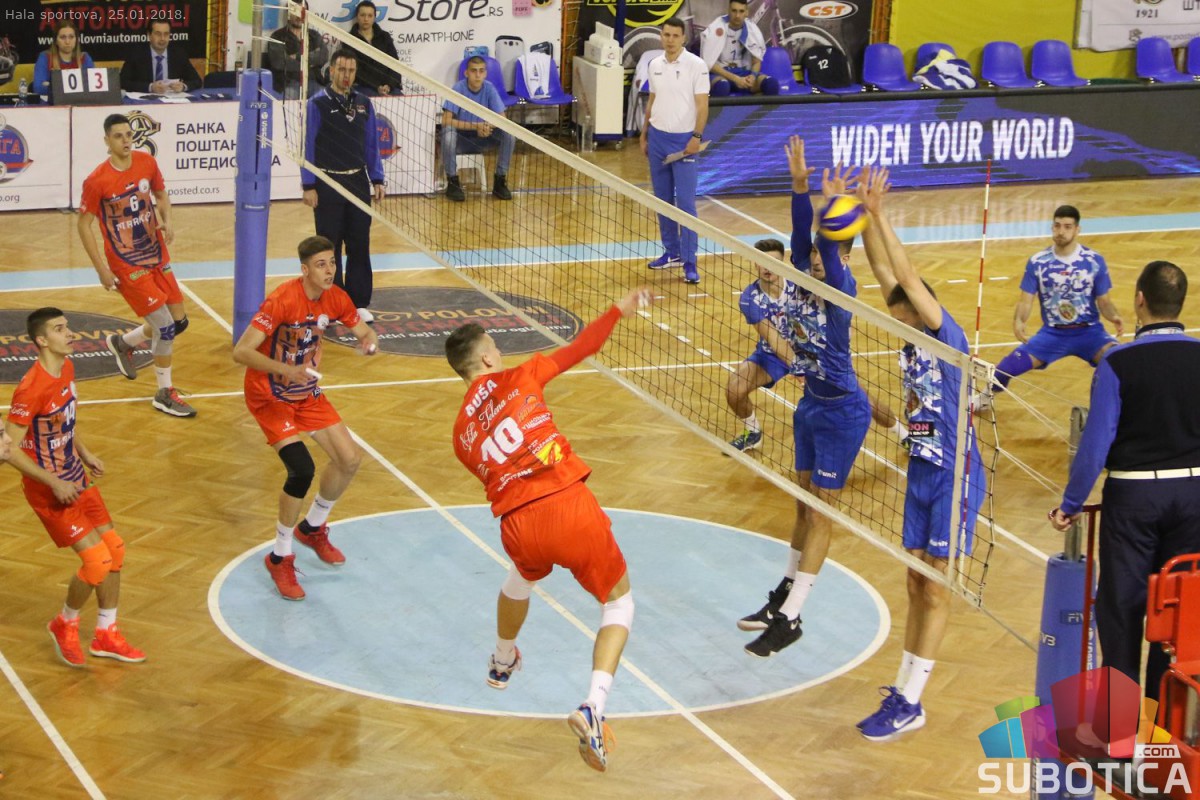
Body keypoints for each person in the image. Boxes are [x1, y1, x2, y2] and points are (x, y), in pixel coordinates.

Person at [445, 288, 651, 772]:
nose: (500, 351)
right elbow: (584, 346)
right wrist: (618, 309)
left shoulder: (459, 435)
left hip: (518, 524)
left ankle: (502, 659)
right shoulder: (522, 375)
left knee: (521, 576)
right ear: (487, 357)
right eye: (495, 345)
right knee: (619, 603)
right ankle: (594, 705)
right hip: (566, 504)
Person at [853, 166, 986, 741]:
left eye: (902, 308)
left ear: (919, 308)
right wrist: (863, 220)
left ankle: (912, 700)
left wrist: (881, 214)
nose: (895, 313)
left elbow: (903, 274)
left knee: (935, 586)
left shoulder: (945, 334)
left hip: (956, 474)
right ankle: (904, 691)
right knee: (914, 580)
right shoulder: (909, 337)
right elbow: (885, 272)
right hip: (922, 470)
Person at [738, 139, 874, 659]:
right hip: (811, 405)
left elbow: (826, 250)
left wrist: (832, 211)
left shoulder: (841, 291)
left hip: (842, 412)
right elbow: (801, 234)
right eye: (812, 255)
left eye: (824, 253)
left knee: (820, 513)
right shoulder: (798, 277)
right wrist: (801, 186)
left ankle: (793, 616)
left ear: (842, 256)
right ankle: (784, 593)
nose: (814, 259)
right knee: (802, 505)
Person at [1051, 261, 1200, 700]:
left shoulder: (1117, 361)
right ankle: (1164, 718)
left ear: (1139, 300)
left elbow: (1095, 445)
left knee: (1121, 610)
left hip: (1133, 498)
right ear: (1181, 303)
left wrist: (1070, 504)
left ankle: (1118, 725)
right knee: (1177, 609)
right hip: (1194, 497)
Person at [232, 236, 379, 600]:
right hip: (270, 395)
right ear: (304, 269)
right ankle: (279, 557)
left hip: (306, 393)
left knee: (349, 459)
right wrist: (286, 369)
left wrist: (368, 341)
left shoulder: (336, 298)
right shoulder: (282, 300)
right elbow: (241, 352)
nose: (329, 270)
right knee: (301, 470)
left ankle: (312, 528)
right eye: (320, 264)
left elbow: (364, 330)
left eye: (332, 263)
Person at [4, 308, 147, 668]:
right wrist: (54, 482)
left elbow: (64, 421)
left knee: (115, 551)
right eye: (59, 329)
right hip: (50, 490)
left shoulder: (66, 368)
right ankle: (64, 623)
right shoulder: (30, 389)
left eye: (67, 327)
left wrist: (85, 452)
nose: (70, 334)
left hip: (76, 478)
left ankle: (106, 634)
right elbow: (8, 449)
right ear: (41, 340)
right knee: (97, 562)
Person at [726, 238, 905, 452]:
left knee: (862, 399)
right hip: (774, 355)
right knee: (735, 389)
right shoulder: (750, 298)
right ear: (755, 262)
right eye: (762, 262)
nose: (767, 267)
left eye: (773, 262)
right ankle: (752, 432)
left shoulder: (799, 282)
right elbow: (774, 339)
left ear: (782, 263)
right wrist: (799, 368)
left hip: (814, 352)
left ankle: (903, 434)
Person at [78, 113, 196, 418]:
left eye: (129, 134)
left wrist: (168, 221)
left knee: (178, 323)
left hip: (156, 254)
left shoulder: (146, 162)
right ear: (107, 141)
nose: (126, 140)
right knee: (165, 328)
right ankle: (164, 393)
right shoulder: (97, 180)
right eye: (118, 136)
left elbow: (161, 194)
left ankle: (123, 343)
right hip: (126, 263)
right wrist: (101, 269)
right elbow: (83, 225)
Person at [992, 206, 1124, 403]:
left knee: (1121, 364)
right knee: (1004, 370)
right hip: (1052, 334)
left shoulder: (1094, 261)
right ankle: (984, 398)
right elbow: (1026, 299)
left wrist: (1114, 316)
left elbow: (1104, 301)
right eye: (1057, 226)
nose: (1061, 231)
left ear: (1077, 230)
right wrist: (1019, 321)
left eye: (1067, 227)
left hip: (1090, 333)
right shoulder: (1037, 262)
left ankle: (1126, 408)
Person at [302, 49, 386, 315]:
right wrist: (308, 185)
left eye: (351, 70)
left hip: (357, 181)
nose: (346, 75)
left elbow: (371, 144)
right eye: (341, 70)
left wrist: (377, 178)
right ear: (331, 71)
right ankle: (332, 303)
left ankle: (358, 303)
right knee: (329, 248)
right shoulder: (317, 103)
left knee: (360, 243)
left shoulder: (364, 103)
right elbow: (307, 146)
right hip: (328, 182)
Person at [641, 17, 709, 285]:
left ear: (683, 38)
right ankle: (672, 252)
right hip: (657, 139)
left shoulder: (696, 65)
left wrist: (696, 137)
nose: (669, 39)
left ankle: (690, 261)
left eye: (675, 35)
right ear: (661, 36)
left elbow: (702, 106)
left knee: (686, 205)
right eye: (666, 35)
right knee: (663, 201)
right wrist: (644, 133)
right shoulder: (654, 64)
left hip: (684, 142)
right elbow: (652, 100)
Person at [441, 56, 515, 202]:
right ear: (466, 73)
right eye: (474, 71)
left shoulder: (489, 88)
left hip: (483, 137)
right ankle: (452, 182)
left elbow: (503, 119)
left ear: (485, 73)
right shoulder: (458, 88)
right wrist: (476, 126)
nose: (477, 75)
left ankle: (500, 180)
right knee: (448, 134)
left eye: (481, 71)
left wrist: (487, 126)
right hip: (461, 140)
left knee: (509, 134)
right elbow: (445, 120)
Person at [699, 0, 773, 96]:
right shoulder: (716, 28)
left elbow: (756, 61)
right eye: (734, 11)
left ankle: (752, 104)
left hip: (743, 73)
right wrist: (735, 79)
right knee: (722, 87)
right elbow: (710, 64)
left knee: (771, 85)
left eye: (741, 11)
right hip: (720, 74)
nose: (737, 15)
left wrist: (753, 77)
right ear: (728, 10)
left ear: (747, 12)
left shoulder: (752, 29)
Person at [118, 19, 201, 94]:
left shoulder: (178, 54)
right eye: (158, 34)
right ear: (149, 35)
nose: (162, 38)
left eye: (166, 34)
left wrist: (183, 86)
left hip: (172, 100)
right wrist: (150, 87)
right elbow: (122, 82)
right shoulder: (136, 54)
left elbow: (197, 81)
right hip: (145, 101)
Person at [267, 0, 328, 100]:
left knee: (325, 101)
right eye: (295, 11)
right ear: (288, 13)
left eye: (302, 11)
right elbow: (280, 63)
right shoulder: (277, 36)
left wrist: (297, 56)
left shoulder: (314, 35)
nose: (299, 15)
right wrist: (311, 62)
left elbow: (323, 56)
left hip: (313, 82)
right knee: (288, 103)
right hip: (288, 84)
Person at [347, 1, 401, 95]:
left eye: (370, 15)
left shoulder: (385, 37)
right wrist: (376, 86)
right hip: (363, 86)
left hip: (389, 87)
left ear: (374, 17)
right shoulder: (349, 39)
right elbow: (355, 70)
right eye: (362, 15)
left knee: (399, 98)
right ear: (357, 17)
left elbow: (395, 64)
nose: (366, 19)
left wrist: (389, 85)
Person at [33, 19, 94, 99]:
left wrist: (53, 85)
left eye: (71, 37)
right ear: (56, 41)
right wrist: (77, 86)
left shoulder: (84, 58)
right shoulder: (45, 57)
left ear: (76, 39)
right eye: (63, 37)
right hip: (53, 104)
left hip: (79, 102)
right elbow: (38, 88)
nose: (67, 42)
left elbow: (92, 86)